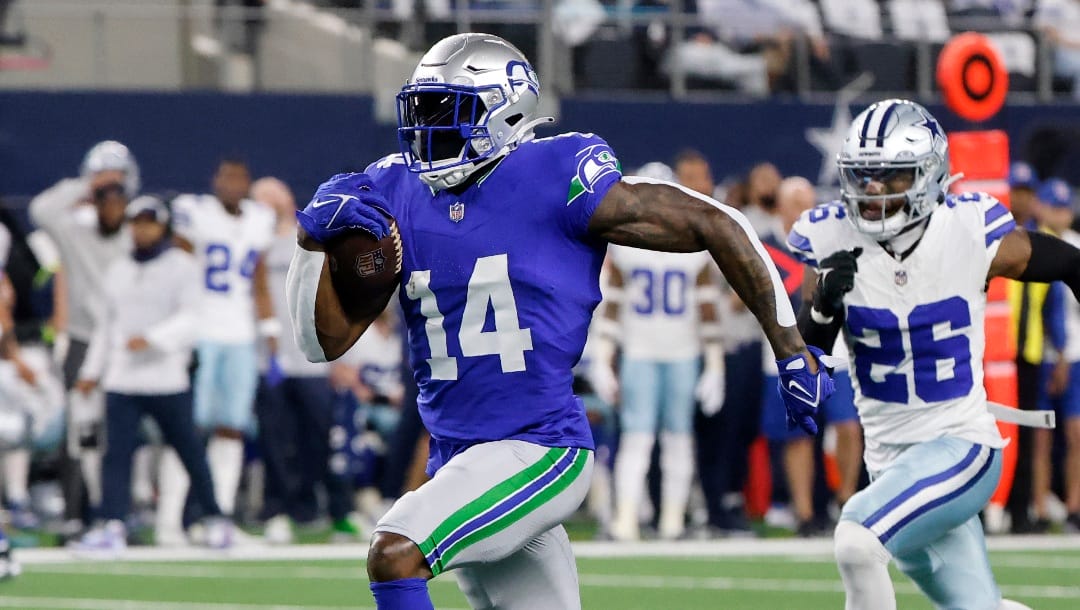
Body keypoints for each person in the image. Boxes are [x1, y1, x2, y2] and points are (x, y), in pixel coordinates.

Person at [286, 33, 831, 610]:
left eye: (445, 110)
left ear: (505, 111)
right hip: (459, 456)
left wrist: (790, 348)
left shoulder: (555, 172)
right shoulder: (396, 188)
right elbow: (321, 344)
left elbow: (714, 221)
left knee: (395, 552)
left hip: (539, 447)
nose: (425, 128)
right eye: (420, 109)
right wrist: (309, 243)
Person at [786, 98, 1080, 610]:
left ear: (927, 174)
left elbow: (1069, 262)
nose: (873, 190)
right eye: (864, 177)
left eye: (891, 175)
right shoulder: (831, 238)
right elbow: (808, 365)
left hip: (961, 445)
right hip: (891, 465)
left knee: (857, 540)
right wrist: (825, 304)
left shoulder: (965, 232)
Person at [73, 195, 232, 552]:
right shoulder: (118, 270)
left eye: (149, 222)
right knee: (117, 454)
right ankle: (113, 522)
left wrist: (153, 339)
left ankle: (215, 519)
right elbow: (106, 327)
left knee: (189, 449)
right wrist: (91, 371)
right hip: (122, 379)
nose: (142, 230)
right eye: (136, 223)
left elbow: (193, 318)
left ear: (162, 226)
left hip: (165, 378)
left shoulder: (182, 266)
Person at [591, 204, 724, 541]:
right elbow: (614, 307)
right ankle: (627, 520)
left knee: (678, 440)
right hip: (640, 352)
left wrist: (714, 364)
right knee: (638, 439)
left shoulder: (695, 250)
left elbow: (706, 308)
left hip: (682, 353)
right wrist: (603, 358)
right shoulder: (627, 250)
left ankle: (673, 521)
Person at [29, 140, 137, 534]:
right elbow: (42, 210)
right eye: (103, 192)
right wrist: (86, 185)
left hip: (125, 345)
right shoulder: (76, 229)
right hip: (83, 339)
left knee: (122, 433)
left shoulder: (137, 229)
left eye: (117, 190)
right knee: (81, 432)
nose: (111, 200)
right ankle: (77, 513)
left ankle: (119, 510)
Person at [249, 176, 358, 544]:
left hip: (313, 359)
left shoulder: (315, 240)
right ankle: (279, 510)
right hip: (272, 360)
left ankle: (317, 507)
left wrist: (343, 354)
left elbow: (337, 297)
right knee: (276, 443)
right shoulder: (255, 244)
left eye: (272, 197)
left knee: (319, 439)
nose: (267, 205)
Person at [172, 158, 276, 521]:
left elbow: (259, 281)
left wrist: (270, 331)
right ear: (215, 180)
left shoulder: (259, 219)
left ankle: (221, 515)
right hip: (200, 331)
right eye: (227, 177)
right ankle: (176, 517)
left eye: (240, 178)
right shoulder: (194, 212)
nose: (233, 184)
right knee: (189, 427)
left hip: (240, 334)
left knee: (232, 428)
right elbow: (177, 269)